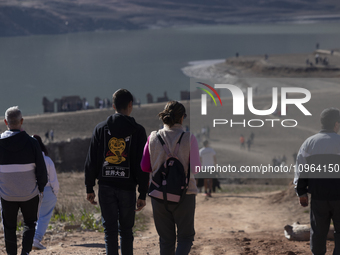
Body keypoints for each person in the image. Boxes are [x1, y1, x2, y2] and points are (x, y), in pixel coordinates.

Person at [85, 89, 149, 255]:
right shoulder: (138, 131)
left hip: (106, 187)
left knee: (110, 231)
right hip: (128, 189)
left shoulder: (100, 129)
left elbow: (92, 160)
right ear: (130, 105)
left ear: (113, 106)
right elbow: (142, 165)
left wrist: (89, 187)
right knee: (126, 231)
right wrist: (142, 192)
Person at [141, 101, 201, 255]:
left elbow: (144, 167)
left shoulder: (152, 137)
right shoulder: (189, 138)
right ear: (182, 118)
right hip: (185, 195)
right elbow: (196, 169)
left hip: (158, 195)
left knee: (166, 239)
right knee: (185, 237)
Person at [0, 106, 47, 255]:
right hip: (30, 194)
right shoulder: (32, 143)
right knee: (30, 223)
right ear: (21, 121)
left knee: (9, 227)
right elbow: (41, 169)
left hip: (7, 194)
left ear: (5, 121)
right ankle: (25, 252)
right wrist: (41, 187)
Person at [294, 107, 340, 255]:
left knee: (318, 232)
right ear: (336, 123)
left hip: (319, 197)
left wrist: (301, 192)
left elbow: (301, 169)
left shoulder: (309, 143)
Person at [32, 135, 59, 250]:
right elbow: (53, 180)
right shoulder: (47, 160)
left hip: (31, 191)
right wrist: (55, 194)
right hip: (47, 190)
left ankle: (31, 238)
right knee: (44, 217)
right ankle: (36, 239)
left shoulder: (28, 161)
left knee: (34, 217)